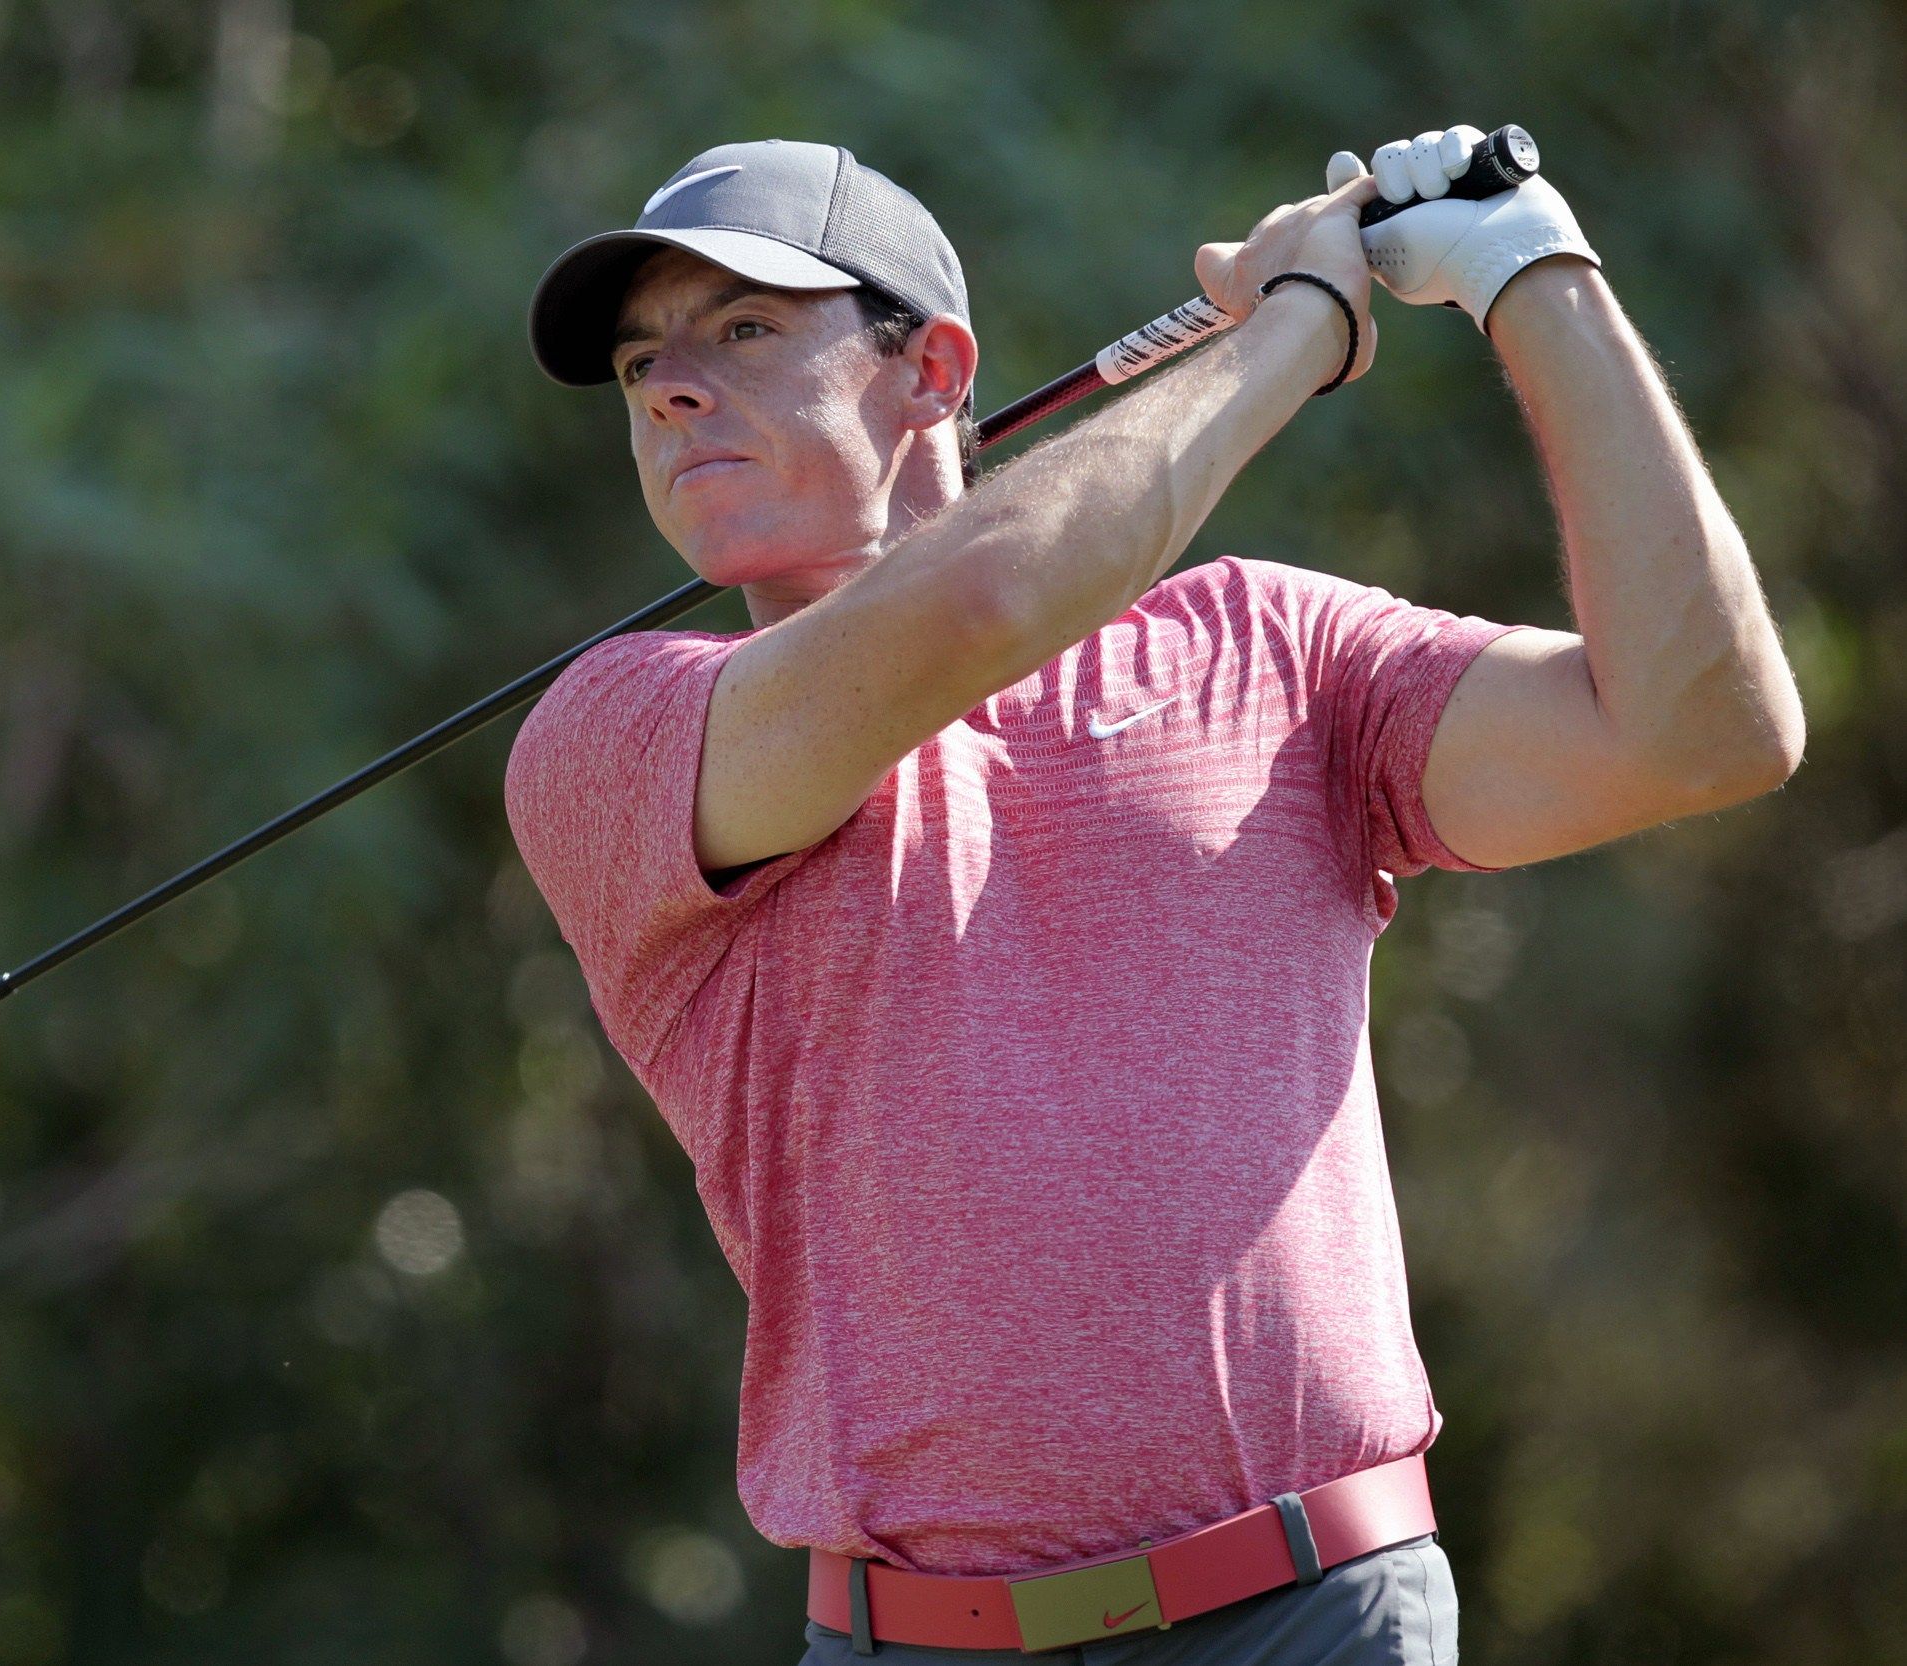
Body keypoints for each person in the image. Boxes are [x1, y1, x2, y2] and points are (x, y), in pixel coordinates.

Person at [503, 132, 1804, 1663]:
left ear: (933, 370)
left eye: (743, 329)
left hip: (1319, 1619)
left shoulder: (1269, 650)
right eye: (643, 361)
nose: (668, 388)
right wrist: (1293, 337)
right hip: (916, 1640)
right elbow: (977, 604)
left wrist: (1535, 275)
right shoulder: (614, 737)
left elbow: (1706, 728)